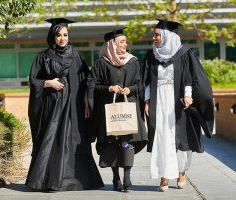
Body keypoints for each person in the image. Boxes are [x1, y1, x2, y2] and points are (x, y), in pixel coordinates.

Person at [26, 17, 104, 191]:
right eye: (59, 35)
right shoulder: (43, 57)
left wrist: (87, 103)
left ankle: (77, 180)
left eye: (65, 35)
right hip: (52, 107)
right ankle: (47, 181)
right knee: (51, 139)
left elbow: (86, 81)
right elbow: (33, 80)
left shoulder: (75, 56)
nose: (62, 38)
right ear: (52, 36)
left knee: (74, 140)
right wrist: (48, 83)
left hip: (73, 106)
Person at [142, 18, 214, 191]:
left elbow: (190, 77)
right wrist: (146, 101)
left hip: (178, 103)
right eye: (154, 35)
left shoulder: (184, 53)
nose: (154, 38)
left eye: (157, 35)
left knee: (181, 138)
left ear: (167, 36)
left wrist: (188, 96)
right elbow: (146, 81)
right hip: (158, 101)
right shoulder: (151, 55)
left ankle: (182, 172)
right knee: (161, 138)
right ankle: (164, 175)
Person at [87, 28, 148, 192]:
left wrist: (131, 89)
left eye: (125, 42)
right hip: (110, 110)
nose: (125, 45)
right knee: (112, 144)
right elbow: (92, 86)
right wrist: (109, 88)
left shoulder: (133, 61)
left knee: (127, 143)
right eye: (122, 42)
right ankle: (115, 178)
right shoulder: (101, 63)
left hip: (129, 108)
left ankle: (127, 179)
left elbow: (140, 83)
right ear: (112, 45)